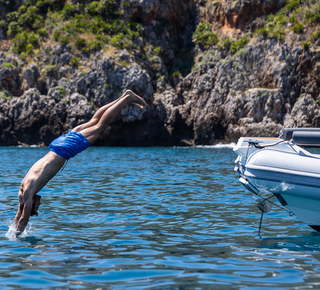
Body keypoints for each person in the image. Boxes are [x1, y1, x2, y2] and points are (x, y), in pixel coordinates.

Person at [14, 90, 147, 234]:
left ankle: (126, 98)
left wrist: (17, 237)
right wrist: (13, 227)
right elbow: (19, 214)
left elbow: (23, 219)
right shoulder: (22, 194)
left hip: (64, 150)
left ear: (31, 204)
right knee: (93, 122)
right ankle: (123, 97)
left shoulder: (28, 194)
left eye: (37, 206)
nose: (39, 204)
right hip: (56, 145)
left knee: (99, 128)